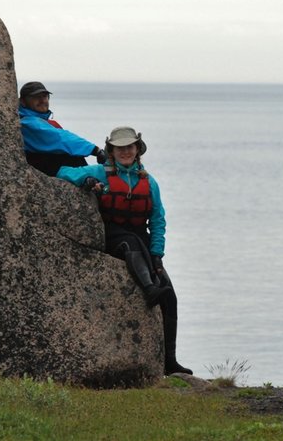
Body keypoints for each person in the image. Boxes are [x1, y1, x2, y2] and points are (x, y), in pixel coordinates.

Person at [57, 126, 192, 376]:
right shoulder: (100, 172)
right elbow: (63, 172)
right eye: (120, 148)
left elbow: (158, 220)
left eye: (130, 147)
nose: (125, 151)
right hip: (114, 236)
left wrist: (157, 254)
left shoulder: (149, 182)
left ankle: (169, 361)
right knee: (129, 241)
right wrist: (85, 180)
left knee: (170, 296)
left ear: (137, 150)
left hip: (142, 240)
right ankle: (150, 289)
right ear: (112, 151)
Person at [18, 81, 107, 176]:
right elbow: (60, 138)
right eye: (36, 97)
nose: (42, 100)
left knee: (76, 156)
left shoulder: (41, 121)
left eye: (44, 96)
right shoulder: (28, 122)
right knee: (71, 155)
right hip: (46, 169)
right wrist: (94, 150)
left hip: (54, 167)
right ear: (23, 102)